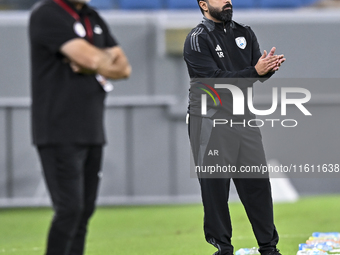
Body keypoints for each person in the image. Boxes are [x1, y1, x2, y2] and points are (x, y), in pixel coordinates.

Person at [183, 0, 285, 254]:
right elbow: (213, 81)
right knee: (216, 187)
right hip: (209, 121)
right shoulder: (197, 38)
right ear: (204, 5)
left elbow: (254, 73)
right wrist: (255, 71)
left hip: (243, 119)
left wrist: (266, 69)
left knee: (258, 184)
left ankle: (269, 248)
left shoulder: (245, 33)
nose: (227, 1)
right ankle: (223, 248)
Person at [29, 0, 131, 254]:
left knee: (84, 210)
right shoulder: (48, 13)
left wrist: (96, 61)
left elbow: (124, 67)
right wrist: (99, 58)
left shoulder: (92, 15)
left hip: (92, 128)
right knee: (69, 209)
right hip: (58, 128)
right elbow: (90, 57)